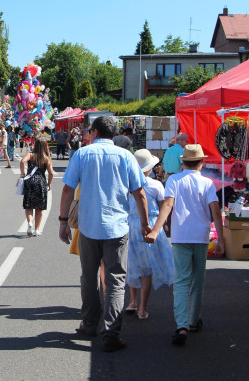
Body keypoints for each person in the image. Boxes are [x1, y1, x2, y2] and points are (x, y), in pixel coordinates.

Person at [58, 115, 149, 352]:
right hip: (117, 227)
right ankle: (111, 332)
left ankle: (89, 324)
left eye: (89, 131)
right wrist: (145, 224)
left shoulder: (82, 154)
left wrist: (63, 221)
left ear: (95, 132)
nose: (88, 134)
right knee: (116, 280)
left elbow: (67, 188)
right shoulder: (126, 156)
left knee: (88, 277)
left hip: (88, 226)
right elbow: (139, 193)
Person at [145, 143, 225, 345]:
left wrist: (155, 230)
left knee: (181, 281)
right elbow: (215, 210)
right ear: (201, 162)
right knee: (198, 280)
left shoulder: (174, 180)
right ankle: (192, 321)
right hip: (201, 236)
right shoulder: (207, 183)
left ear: (183, 162)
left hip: (180, 236)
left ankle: (181, 326)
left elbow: (168, 205)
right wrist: (222, 239)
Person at [125, 149, 174, 319]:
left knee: (133, 262)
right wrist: (164, 226)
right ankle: (142, 308)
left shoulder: (128, 183)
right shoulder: (156, 185)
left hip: (131, 223)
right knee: (146, 267)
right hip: (150, 224)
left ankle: (132, 300)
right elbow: (163, 208)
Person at [20, 138, 54, 236]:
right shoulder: (46, 158)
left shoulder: (30, 155)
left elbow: (22, 162)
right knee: (39, 208)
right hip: (41, 182)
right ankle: (37, 230)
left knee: (29, 206)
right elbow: (51, 173)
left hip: (30, 181)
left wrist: (22, 174)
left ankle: (30, 223)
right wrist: (49, 183)